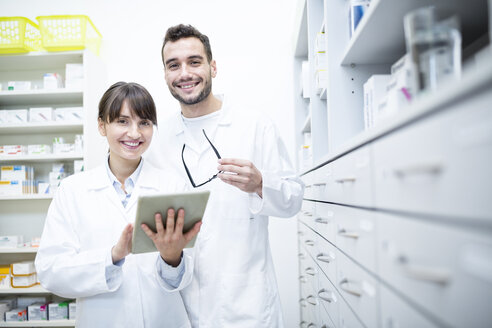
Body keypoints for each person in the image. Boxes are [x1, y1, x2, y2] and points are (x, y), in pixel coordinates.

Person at [146, 24, 304, 327]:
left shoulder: (254, 125)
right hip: (181, 304)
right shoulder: (157, 139)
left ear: (212, 67)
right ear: (165, 75)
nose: (185, 73)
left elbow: (293, 200)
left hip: (247, 304)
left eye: (194, 61)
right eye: (173, 65)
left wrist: (260, 185)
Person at [35, 82, 201, 328]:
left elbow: (185, 277)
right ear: (102, 126)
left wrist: (171, 258)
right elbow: (51, 271)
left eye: (144, 122)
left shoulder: (173, 186)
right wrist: (112, 257)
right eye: (122, 121)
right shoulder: (72, 191)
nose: (135, 133)